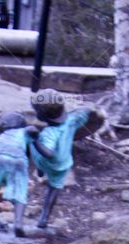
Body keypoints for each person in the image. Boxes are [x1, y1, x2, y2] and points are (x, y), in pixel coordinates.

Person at [30, 90, 90, 229]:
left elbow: (48, 153)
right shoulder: (72, 120)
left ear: (42, 116)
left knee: (32, 143)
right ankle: (44, 217)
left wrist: (34, 140)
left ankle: (39, 169)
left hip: (47, 162)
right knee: (54, 189)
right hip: (63, 164)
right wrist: (83, 107)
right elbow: (85, 112)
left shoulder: (49, 133)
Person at [0, 112, 39, 238]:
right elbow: (33, 130)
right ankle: (18, 224)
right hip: (18, 159)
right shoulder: (23, 132)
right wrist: (33, 132)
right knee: (20, 192)